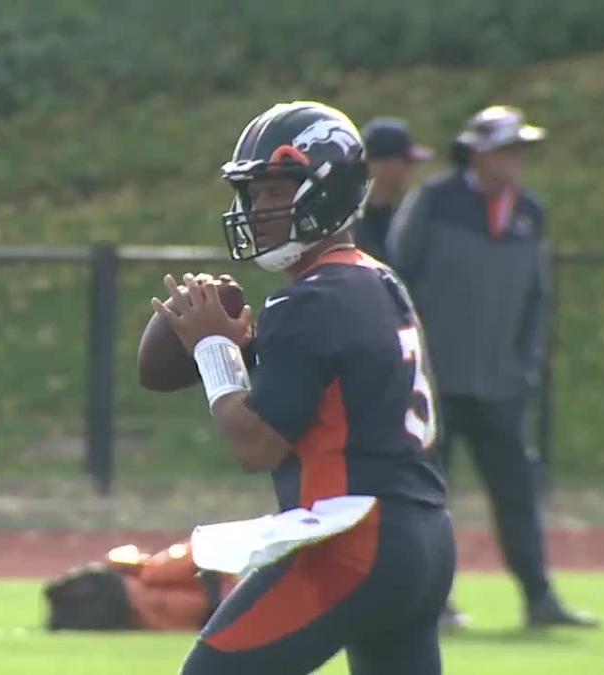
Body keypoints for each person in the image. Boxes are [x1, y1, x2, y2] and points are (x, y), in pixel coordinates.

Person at [154, 101, 454, 674]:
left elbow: (257, 445)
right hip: (425, 540)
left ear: (328, 189)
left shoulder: (309, 297)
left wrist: (213, 349)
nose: (258, 210)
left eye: (273, 192)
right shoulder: (375, 280)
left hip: (353, 540)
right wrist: (246, 349)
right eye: (253, 194)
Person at [387, 105, 596, 630]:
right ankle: (434, 601)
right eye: (507, 148)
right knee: (427, 498)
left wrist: (524, 365)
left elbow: (535, 298)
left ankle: (540, 599)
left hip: (500, 385)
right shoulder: (434, 202)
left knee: (518, 494)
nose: (516, 159)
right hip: (435, 382)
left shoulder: (530, 211)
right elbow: (397, 283)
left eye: (520, 149)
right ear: (478, 152)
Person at [353, 117, 433, 262]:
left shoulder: (393, 214)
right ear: (386, 165)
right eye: (408, 162)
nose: (411, 170)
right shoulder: (349, 223)